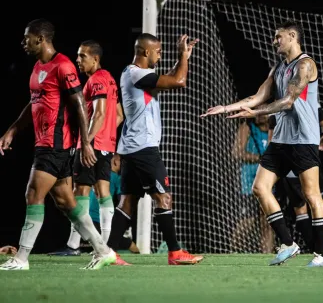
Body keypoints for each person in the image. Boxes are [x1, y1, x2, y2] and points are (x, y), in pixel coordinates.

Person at [201, 20, 323, 267]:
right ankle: (289, 244)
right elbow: (258, 96)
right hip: (280, 139)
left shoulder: (305, 64)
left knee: (312, 196)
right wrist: (226, 107)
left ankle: (321, 255)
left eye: (278, 37)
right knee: (259, 187)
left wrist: (254, 112)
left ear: (292, 36)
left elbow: (288, 101)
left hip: (303, 140)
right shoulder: (277, 69)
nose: (274, 41)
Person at [0, 19, 116, 270]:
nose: (24, 42)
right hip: (46, 143)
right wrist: (13, 129)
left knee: (33, 193)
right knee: (66, 202)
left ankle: (21, 258)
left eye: (27, 37)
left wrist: (86, 142)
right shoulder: (38, 67)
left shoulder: (63, 66)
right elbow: (34, 102)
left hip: (57, 143)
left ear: (41, 39)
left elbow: (78, 106)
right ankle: (103, 250)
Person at [107, 32, 203, 265]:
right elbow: (179, 81)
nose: (160, 56)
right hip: (143, 149)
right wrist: (183, 56)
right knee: (163, 198)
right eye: (158, 52)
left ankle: (108, 252)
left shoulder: (133, 73)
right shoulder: (137, 74)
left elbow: (168, 77)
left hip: (132, 147)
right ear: (145, 52)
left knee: (127, 202)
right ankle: (175, 252)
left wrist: (183, 57)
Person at [47, 40, 124, 259]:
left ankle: (74, 245)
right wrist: (106, 134)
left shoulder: (96, 80)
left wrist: (88, 141)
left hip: (92, 145)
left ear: (95, 58)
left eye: (82, 56)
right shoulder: (109, 78)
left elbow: (99, 114)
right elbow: (118, 115)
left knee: (79, 193)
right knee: (103, 193)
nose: (78, 61)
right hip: (106, 145)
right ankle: (108, 247)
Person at [270, 106, 323, 254]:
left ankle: (313, 248)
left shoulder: (276, 109)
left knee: (300, 210)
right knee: (319, 200)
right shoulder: (311, 106)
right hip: (308, 160)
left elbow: (272, 141)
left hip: (289, 167)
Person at [230, 115, 274, 253]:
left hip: (269, 182)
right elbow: (236, 153)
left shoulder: (274, 130)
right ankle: (233, 250)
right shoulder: (248, 128)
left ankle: (267, 254)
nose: (259, 114)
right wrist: (260, 158)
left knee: (268, 220)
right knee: (247, 220)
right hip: (249, 182)